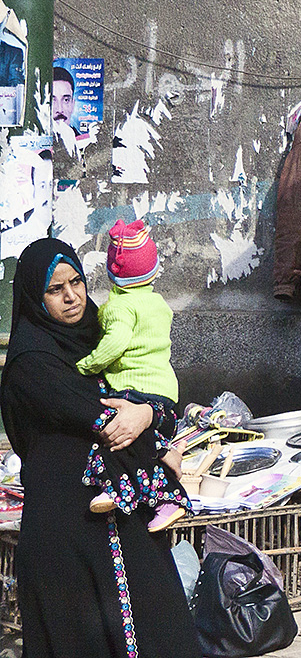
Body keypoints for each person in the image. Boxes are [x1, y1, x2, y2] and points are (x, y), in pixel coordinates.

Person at [0, 238, 201, 658]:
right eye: (55, 290)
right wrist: (154, 439)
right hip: (66, 531)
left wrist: (146, 414)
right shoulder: (31, 361)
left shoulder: (103, 337)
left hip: (123, 515)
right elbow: (101, 419)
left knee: (160, 628)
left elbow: (156, 402)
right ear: (35, 298)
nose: (71, 296)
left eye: (76, 282)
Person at [76, 219, 190, 531]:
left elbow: (116, 344)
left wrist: (89, 365)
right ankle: (170, 500)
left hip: (132, 387)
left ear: (112, 274)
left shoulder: (119, 306)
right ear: (153, 272)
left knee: (115, 439)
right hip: (165, 390)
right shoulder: (157, 303)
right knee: (151, 446)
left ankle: (114, 490)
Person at [52, 64, 75, 131]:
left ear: (73, 105)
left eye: (66, 100)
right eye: (52, 100)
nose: (59, 109)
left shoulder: (85, 141)